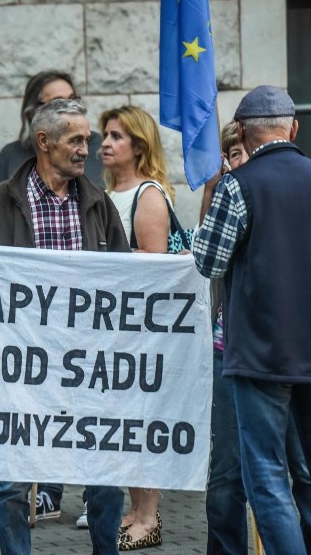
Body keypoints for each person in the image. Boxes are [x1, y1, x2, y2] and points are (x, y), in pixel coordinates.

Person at [193, 85, 311, 555]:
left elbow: (208, 261)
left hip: (260, 353)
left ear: (246, 138)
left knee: (268, 477)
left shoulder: (239, 184)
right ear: (293, 128)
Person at [0, 98, 128, 555]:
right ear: (44, 142)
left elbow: (122, 280)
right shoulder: (0, 201)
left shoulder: (98, 204)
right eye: (75, 140)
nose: (86, 149)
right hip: (20, 366)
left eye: (87, 140)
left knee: (104, 476)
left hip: (87, 364)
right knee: (12, 482)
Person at [201, 121, 311, 555]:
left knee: (305, 470)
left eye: (247, 154)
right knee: (228, 475)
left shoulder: (301, 199)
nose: (245, 164)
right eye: (235, 156)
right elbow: (208, 262)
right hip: (231, 353)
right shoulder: (229, 198)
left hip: (294, 353)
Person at [99, 105, 173, 550]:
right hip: (110, 330)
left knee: (140, 423)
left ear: (139, 146)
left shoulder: (148, 195)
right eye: (105, 135)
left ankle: (149, 515)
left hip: (138, 332)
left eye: (116, 136)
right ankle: (135, 507)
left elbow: (153, 268)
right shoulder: (107, 193)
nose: (105, 143)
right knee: (121, 425)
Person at [0, 70, 104, 195]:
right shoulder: (11, 154)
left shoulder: (98, 147)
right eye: (59, 103)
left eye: (73, 99)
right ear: (34, 112)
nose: (71, 108)